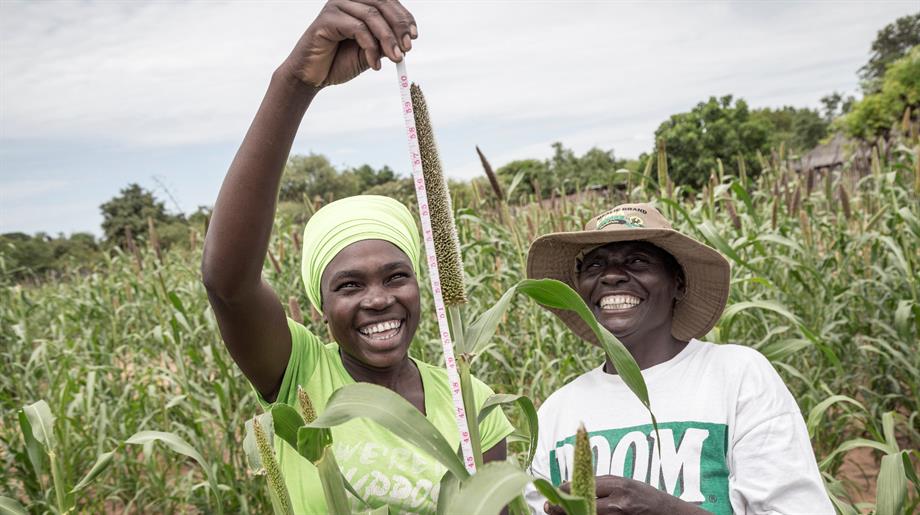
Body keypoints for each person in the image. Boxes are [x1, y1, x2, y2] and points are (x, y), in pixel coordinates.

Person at [200, 2, 512, 513]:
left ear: (421, 282)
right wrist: (296, 82)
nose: (379, 299)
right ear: (319, 305)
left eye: (396, 276)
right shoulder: (300, 377)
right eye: (348, 286)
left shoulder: (472, 402)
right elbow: (227, 283)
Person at [523, 203, 833, 514]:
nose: (612, 276)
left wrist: (663, 509)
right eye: (594, 266)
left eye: (637, 261)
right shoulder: (557, 411)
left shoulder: (737, 375)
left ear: (678, 283)